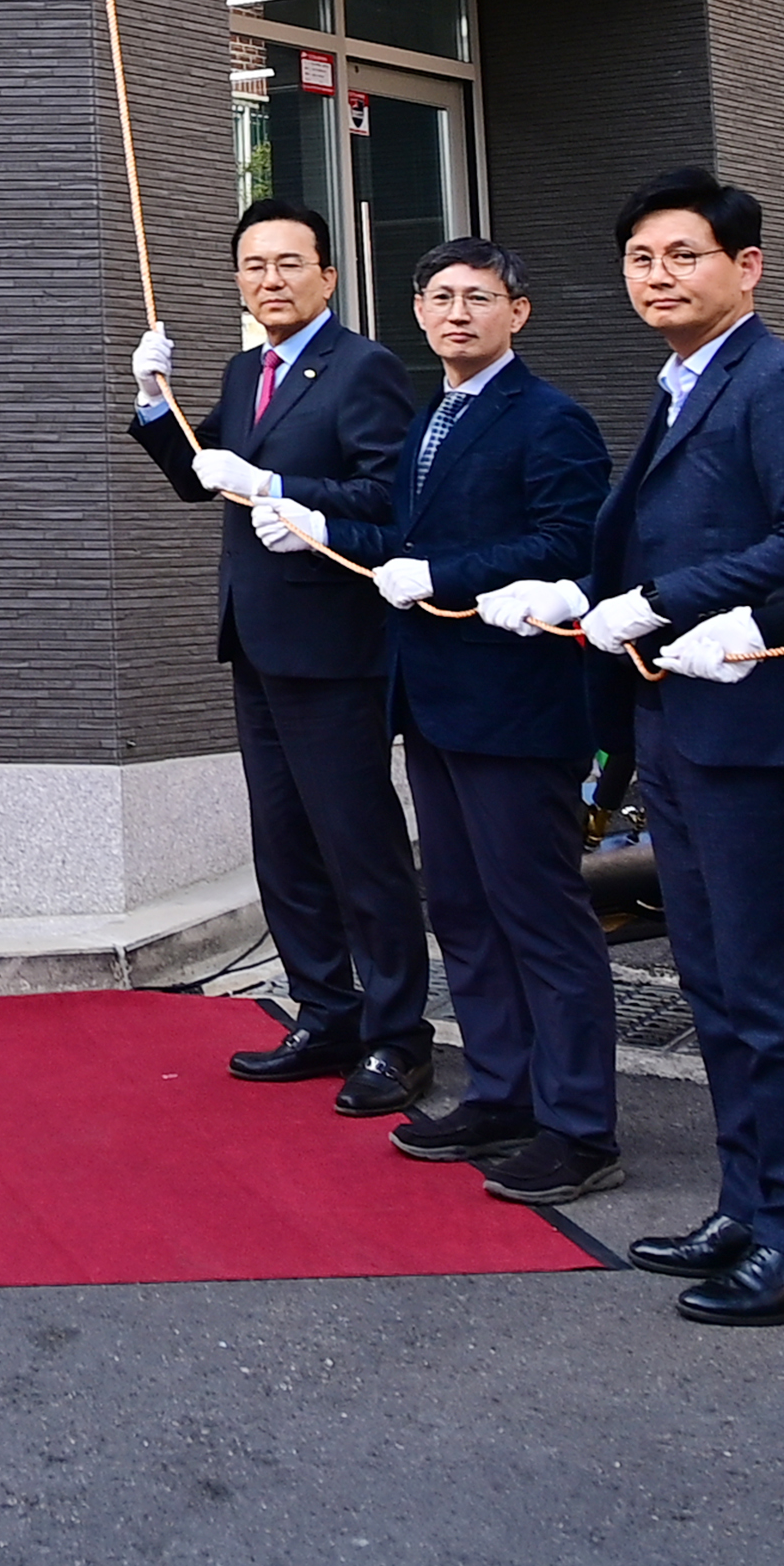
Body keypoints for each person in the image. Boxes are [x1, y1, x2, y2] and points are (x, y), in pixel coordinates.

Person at [479, 169, 784, 1327]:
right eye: (643, 259)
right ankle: (749, 1203)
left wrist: (664, 601)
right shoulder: (684, 386)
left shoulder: (782, 382)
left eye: (684, 255)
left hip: (754, 723)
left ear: (747, 266)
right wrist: (575, 595)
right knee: (712, 980)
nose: (659, 277)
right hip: (677, 725)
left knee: (768, 986)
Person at [259, 239, 621, 1205]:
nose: (458, 313)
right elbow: (403, 543)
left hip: (516, 703)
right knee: (460, 907)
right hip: (433, 700)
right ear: (416, 311)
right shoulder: (433, 414)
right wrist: (311, 517)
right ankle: (501, 1091)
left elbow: (567, 542)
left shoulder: (550, 418)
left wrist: (449, 576)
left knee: (539, 913)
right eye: (440, 297)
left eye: (480, 297)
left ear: (519, 312)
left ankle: (580, 1124)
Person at [132, 202, 430, 1115]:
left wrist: (284, 490)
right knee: (283, 840)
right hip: (255, 638)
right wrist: (155, 403)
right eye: (255, 265)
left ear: (329, 277)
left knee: (357, 841)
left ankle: (397, 1035)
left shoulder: (364, 368)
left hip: (336, 644)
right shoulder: (243, 366)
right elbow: (200, 473)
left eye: (291, 263)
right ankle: (324, 1009)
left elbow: (389, 498)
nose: (272, 279)